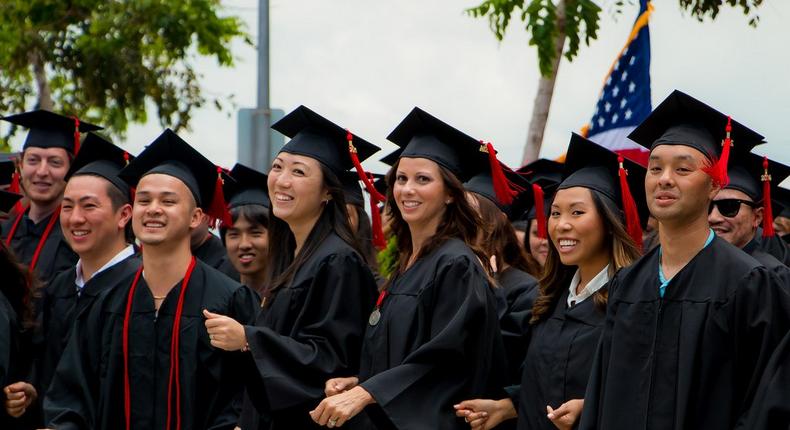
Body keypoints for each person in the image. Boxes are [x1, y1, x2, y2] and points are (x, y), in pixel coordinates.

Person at [579, 90, 790, 430]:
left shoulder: (750, 283)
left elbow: (765, 403)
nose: (664, 178)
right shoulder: (627, 283)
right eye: (655, 167)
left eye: (682, 168)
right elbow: (602, 391)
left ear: (713, 186)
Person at [43, 129, 259, 429]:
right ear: (132, 213)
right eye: (144, 200)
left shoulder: (228, 301)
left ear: (196, 218)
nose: (153, 209)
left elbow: (244, 400)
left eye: (168, 201)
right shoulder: (105, 302)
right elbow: (70, 396)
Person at [311, 107, 507, 429]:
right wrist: (361, 381)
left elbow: (445, 359)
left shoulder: (456, 264)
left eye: (423, 180)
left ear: (449, 195)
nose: (407, 189)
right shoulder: (409, 264)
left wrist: (368, 393)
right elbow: (403, 354)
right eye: (401, 179)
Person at [204, 106, 379, 430]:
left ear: (328, 191)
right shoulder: (295, 257)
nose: (281, 181)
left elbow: (332, 361)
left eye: (298, 172)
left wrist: (248, 338)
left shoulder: (338, 261)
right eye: (277, 167)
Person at [456, 133, 646, 430]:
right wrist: (506, 407)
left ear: (610, 223)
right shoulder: (551, 299)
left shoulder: (634, 301)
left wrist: (589, 407)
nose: (561, 224)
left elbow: (644, 389)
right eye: (555, 213)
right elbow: (545, 379)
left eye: (577, 212)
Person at [3, 133, 140, 426]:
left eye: (89, 206)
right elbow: (49, 367)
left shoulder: (142, 287)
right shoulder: (59, 288)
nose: (75, 218)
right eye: (67, 207)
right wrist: (32, 390)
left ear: (124, 215)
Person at [1, 110, 101, 282]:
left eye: (55, 162)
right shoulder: (4, 232)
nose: (42, 171)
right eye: (33, 160)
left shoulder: (79, 237)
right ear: (20, 166)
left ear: (72, 169)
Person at [708, 151, 790, 268]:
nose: (713, 217)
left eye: (730, 206)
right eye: (707, 207)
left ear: (757, 217)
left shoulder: (767, 277)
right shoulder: (689, 263)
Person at [221, 163, 271, 296]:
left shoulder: (294, 298)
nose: (244, 244)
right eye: (234, 234)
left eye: (255, 233)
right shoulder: (218, 295)